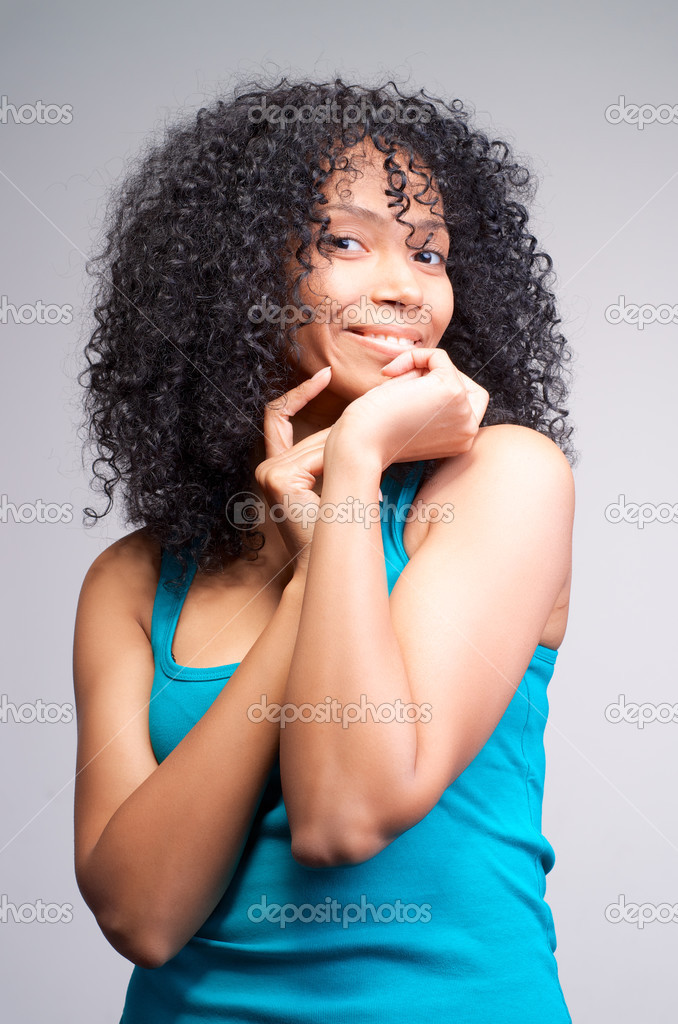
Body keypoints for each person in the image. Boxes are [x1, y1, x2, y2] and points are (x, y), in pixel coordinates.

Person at [73, 76, 577, 1023]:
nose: (403, 286)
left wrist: (356, 465)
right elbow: (142, 915)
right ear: (232, 276)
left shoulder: (504, 481)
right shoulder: (133, 582)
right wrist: (312, 583)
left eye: (430, 253)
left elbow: (343, 813)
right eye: (344, 241)